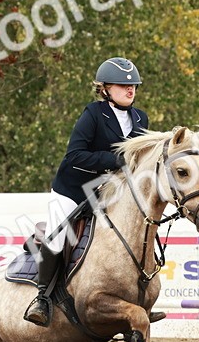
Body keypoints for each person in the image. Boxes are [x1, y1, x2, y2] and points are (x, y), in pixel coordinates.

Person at [24, 57, 149, 326]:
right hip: (73, 190)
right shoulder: (93, 114)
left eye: (133, 86)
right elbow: (75, 155)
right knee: (58, 236)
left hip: (110, 194)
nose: (130, 90)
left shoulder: (140, 118)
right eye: (123, 85)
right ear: (105, 88)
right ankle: (42, 299)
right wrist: (115, 161)